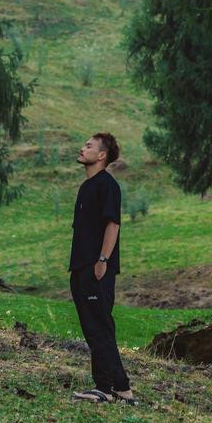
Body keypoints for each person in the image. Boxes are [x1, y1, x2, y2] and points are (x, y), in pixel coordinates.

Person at [69, 132, 137, 405]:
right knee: (97, 326)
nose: (82, 148)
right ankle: (121, 388)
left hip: (96, 268)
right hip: (82, 266)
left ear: (102, 156)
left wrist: (102, 261)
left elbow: (113, 224)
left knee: (98, 328)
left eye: (89, 146)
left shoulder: (107, 185)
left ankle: (104, 388)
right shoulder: (87, 187)